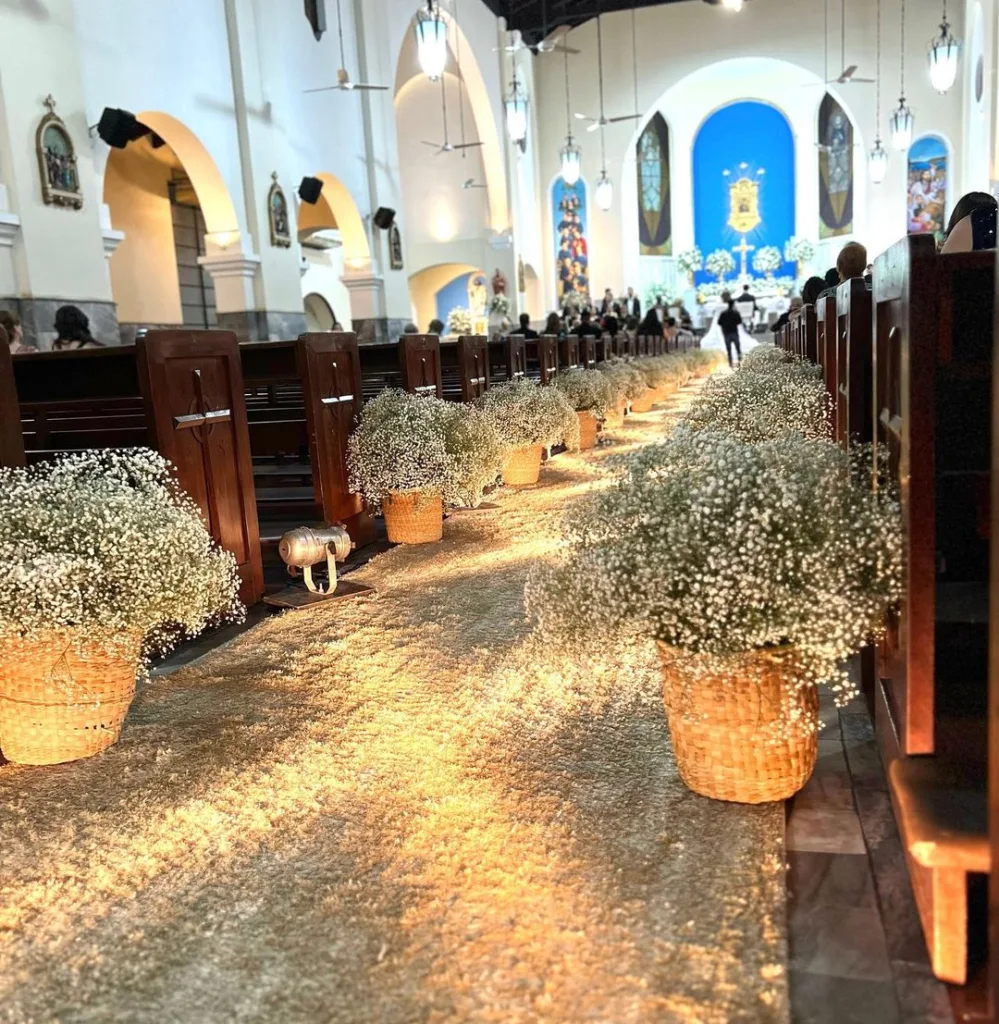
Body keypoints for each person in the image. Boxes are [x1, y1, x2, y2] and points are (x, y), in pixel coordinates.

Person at [717, 292, 743, 368]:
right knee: (738, 348)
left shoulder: (723, 313)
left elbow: (719, 322)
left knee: (729, 349)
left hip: (726, 332)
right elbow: (739, 322)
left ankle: (730, 363)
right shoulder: (736, 313)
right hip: (734, 332)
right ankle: (740, 362)